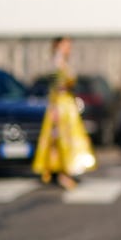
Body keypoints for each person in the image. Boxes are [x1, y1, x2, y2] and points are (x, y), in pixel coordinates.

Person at [31, 36, 96, 190]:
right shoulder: (57, 63)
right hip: (61, 108)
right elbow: (55, 89)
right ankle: (61, 173)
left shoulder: (62, 62)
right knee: (61, 141)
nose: (69, 48)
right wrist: (54, 109)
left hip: (67, 106)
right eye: (67, 45)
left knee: (68, 141)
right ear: (59, 46)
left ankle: (65, 171)